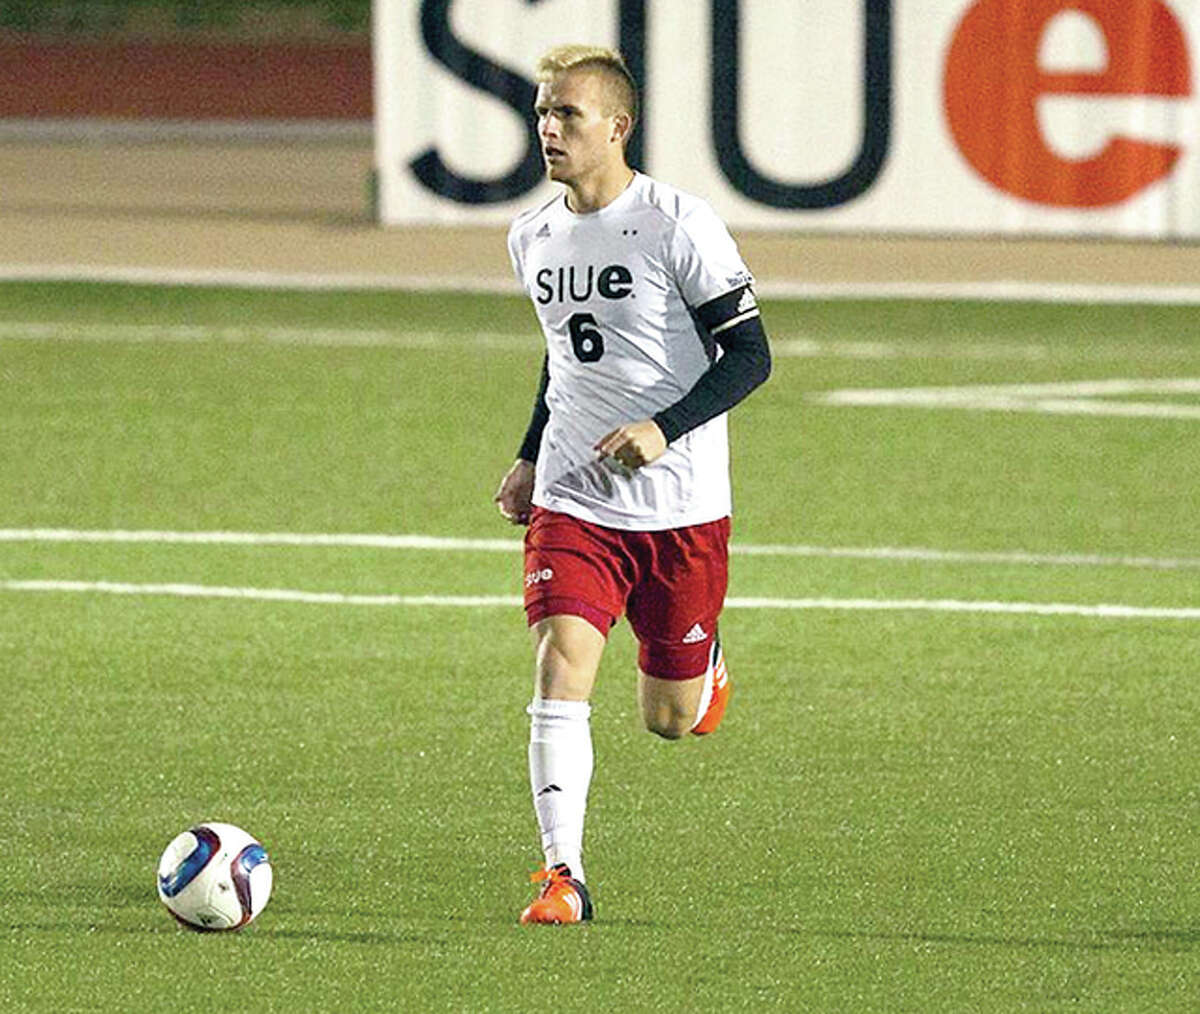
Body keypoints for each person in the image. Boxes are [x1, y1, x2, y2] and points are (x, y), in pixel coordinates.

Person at [493, 44, 771, 925]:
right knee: (559, 667)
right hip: (575, 499)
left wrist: (663, 427)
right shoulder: (531, 234)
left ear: (618, 125)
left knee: (669, 718)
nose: (548, 128)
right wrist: (533, 453)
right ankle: (561, 873)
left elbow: (752, 355)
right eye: (542, 112)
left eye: (567, 114)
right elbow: (564, 353)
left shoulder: (678, 225)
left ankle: (704, 664)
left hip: (682, 509)